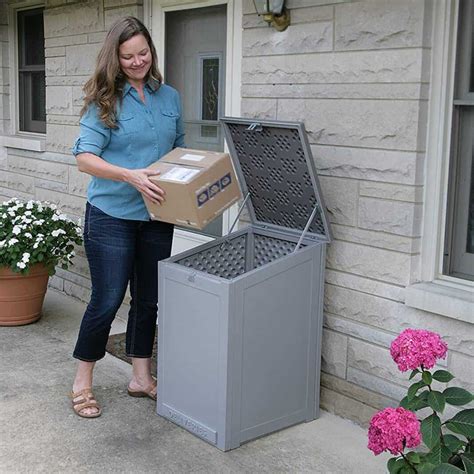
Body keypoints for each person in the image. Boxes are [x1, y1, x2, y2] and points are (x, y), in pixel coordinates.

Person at [70, 16, 184, 418]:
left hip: (156, 215)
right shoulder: (105, 100)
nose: (137, 61)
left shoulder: (169, 97)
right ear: (115, 58)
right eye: (127, 56)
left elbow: (180, 150)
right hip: (111, 214)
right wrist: (129, 176)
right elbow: (84, 158)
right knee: (107, 298)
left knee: (149, 299)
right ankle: (83, 380)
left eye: (143, 53)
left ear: (151, 51)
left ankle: (140, 376)